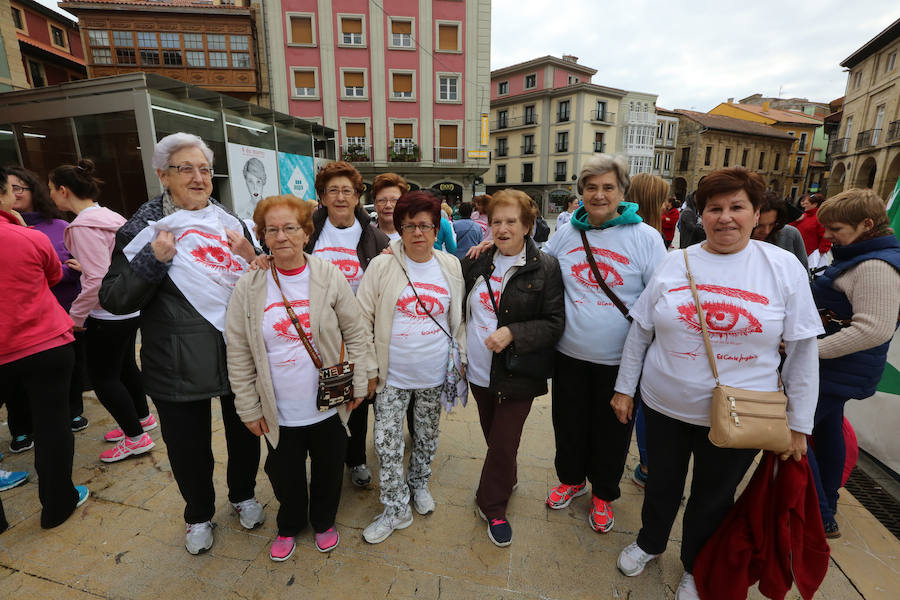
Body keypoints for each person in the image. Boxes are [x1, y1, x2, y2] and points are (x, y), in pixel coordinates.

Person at [611, 167, 822, 600]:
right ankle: (650, 542)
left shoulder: (782, 267)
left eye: (736, 207)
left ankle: (696, 563)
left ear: (756, 212)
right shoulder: (676, 262)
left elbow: (802, 352)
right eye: (714, 208)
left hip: (742, 413)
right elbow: (640, 332)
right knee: (662, 484)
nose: (725, 217)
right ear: (700, 215)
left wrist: (800, 424)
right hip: (666, 405)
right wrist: (623, 388)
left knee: (714, 495)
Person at [99, 132, 264, 554]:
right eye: (185, 169)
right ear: (163, 176)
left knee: (246, 434)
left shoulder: (232, 223)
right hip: (176, 364)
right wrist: (154, 259)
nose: (198, 177)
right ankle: (198, 515)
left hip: (237, 355)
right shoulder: (145, 230)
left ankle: (243, 494)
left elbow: (262, 285)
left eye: (205, 169)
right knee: (190, 450)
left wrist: (250, 254)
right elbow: (115, 299)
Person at [226, 194, 376, 560]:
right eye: (272, 230)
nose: (282, 237)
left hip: (328, 403)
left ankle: (324, 521)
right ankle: (290, 523)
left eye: (290, 228)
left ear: (306, 233)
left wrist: (361, 381)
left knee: (328, 470)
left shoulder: (327, 275)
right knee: (284, 475)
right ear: (262, 236)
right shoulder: (250, 285)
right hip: (280, 409)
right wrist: (247, 407)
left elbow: (356, 332)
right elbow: (239, 350)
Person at [542, 154, 667, 534]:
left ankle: (604, 494)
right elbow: (538, 273)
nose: (599, 195)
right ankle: (572, 480)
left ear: (622, 192)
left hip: (621, 360)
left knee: (613, 431)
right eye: (591, 187)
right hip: (569, 354)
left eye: (608, 187)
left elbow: (660, 299)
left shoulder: (645, 238)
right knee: (568, 423)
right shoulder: (565, 233)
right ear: (580, 192)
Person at [356, 191, 466, 544]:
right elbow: (362, 318)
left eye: (426, 225)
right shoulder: (382, 265)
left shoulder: (450, 266)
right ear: (399, 228)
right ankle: (395, 506)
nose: (418, 232)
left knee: (427, 436)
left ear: (437, 229)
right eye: (410, 225)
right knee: (387, 443)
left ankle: (418, 484)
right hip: (392, 375)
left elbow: (458, 318)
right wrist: (369, 369)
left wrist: (460, 359)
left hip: (434, 374)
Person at [461, 189, 564, 546]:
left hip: (518, 372)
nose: (502, 229)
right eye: (496, 222)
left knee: (503, 442)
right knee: (494, 438)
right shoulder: (478, 259)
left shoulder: (546, 267)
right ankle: (508, 476)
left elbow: (554, 323)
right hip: (478, 369)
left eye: (510, 222)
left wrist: (513, 332)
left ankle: (492, 505)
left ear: (528, 226)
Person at [807, 188, 900, 539]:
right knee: (826, 430)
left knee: (792, 433)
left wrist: (810, 350)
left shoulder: (876, 266)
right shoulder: (862, 255)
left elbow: (874, 329)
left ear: (867, 224)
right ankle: (826, 510)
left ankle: (817, 511)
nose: (828, 236)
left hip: (837, 369)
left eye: (837, 229)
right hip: (838, 369)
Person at [49, 160, 155, 464]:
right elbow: (114, 263)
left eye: (51, 189)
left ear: (64, 191)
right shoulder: (110, 216)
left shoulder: (81, 226)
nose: (51, 195)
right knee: (124, 368)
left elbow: (96, 280)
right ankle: (142, 419)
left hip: (106, 313)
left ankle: (135, 437)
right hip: (128, 307)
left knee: (103, 378)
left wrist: (75, 318)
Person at [0, 166, 88, 527]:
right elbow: (54, 275)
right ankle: (57, 505)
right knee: (53, 424)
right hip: (45, 343)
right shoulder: (28, 236)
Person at [306, 161, 389, 488]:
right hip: (315, 336)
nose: (340, 197)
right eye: (333, 190)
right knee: (320, 400)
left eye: (348, 191)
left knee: (357, 399)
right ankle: (324, 460)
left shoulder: (375, 237)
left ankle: (354, 458)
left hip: (359, 336)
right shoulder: (308, 231)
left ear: (358, 196)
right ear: (322, 196)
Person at [751, 192, 808, 266]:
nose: (766, 231)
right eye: (759, 225)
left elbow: (804, 273)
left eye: (772, 224)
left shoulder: (790, 234)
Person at [791, 193, 831, 268]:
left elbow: (825, 236)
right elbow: (789, 228)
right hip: (798, 253)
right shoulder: (803, 216)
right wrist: (796, 220)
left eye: (806, 203)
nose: (804, 205)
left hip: (810, 256)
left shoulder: (820, 218)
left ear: (815, 204)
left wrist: (822, 251)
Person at [372, 173, 408, 241]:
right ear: (375, 204)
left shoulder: (414, 236)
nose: (388, 205)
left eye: (394, 200)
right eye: (382, 200)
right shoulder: (364, 236)